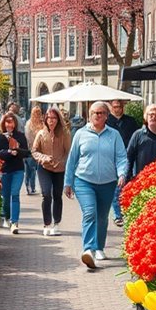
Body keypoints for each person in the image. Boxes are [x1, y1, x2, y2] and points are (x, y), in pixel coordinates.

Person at [64, 101, 128, 270]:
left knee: (102, 216)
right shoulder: (80, 134)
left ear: (107, 116)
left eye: (101, 113)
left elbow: (121, 157)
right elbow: (72, 159)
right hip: (84, 180)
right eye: (94, 113)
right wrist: (68, 182)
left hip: (108, 182)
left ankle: (99, 247)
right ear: (89, 115)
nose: (97, 116)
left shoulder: (114, 135)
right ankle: (88, 249)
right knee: (90, 213)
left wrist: (122, 173)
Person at [32, 106, 70, 237]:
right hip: (45, 168)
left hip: (60, 168)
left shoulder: (65, 134)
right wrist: (43, 158)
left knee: (57, 195)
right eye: (49, 118)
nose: (51, 120)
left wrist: (61, 162)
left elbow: (68, 152)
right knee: (46, 194)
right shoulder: (41, 133)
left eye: (54, 118)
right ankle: (46, 223)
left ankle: (56, 223)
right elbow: (34, 151)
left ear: (58, 120)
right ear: (45, 119)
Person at [0, 112, 30, 234]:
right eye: (7, 122)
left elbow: (26, 152)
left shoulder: (20, 136)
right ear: (3, 123)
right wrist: (9, 152)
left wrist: (17, 150)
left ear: (15, 123)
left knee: (15, 194)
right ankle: (7, 217)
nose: (9, 124)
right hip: (5, 170)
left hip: (18, 169)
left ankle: (14, 222)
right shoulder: (0, 137)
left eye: (12, 122)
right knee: (5, 197)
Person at [106, 99, 139, 227]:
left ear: (122, 107)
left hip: (129, 156)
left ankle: (128, 212)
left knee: (130, 183)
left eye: (119, 107)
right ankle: (117, 214)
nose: (117, 109)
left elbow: (136, 138)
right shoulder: (107, 121)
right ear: (111, 108)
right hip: (113, 157)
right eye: (114, 107)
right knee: (117, 186)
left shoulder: (130, 121)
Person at [24, 107, 45, 195]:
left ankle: (30, 187)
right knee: (32, 169)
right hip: (32, 150)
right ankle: (31, 187)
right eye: (36, 112)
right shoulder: (30, 124)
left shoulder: (40, 123)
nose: (37, 114)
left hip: (34, 149)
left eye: (38, 112)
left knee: (31, 169)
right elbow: (29, 137)